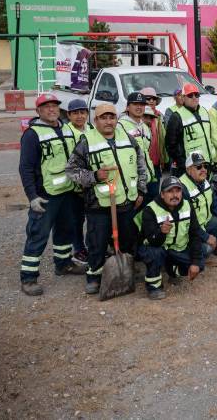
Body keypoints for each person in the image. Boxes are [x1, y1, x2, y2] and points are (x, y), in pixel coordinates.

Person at [65, 103, 148, 294]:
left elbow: (140, 164)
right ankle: (94, 276)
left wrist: (141, 190)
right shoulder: (87, 141)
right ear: (96, 120)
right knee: (97, 242)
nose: (108, 121)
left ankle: (125, 270)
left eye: (112, 117)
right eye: (104, 118)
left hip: (126, 202)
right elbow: (71, 171)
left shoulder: (127, 138)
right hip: (99, 205)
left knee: (128, 240)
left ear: (116, 119)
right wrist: (94, 176)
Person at [18, 93, 84, 296]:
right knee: (38, 235)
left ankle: (63, 264)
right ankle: (29, 278)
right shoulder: (32, 135)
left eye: (54, 106)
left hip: (67, 191)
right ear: (38, 111)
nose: (51, 109)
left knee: (65, 230)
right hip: (45, 195)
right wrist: (32, 196)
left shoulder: (67, 129)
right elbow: (25, 168)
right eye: (46, 107)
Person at [135, 176, 203, 300]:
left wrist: (196, 262)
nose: (175, 195)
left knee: (199, 264)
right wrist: (161, 232)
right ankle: (154, 287)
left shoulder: (187, 205)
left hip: (176, 249)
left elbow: (195, 234)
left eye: (178, 191)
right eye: (170, 191)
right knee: (155, 253)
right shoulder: (150, 209)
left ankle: (170, 269)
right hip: (154, 246)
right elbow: (151, 240)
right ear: (162, 194)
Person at [180, 151, 217, 266]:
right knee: (206, 248)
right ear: (188, 170)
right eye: (198, 167)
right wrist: (206, 236)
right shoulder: (182, 188)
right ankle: (199, 257)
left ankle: (211, 247)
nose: (203, 169)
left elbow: (216, 202)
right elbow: (187, 223)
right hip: (188, 232)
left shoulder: (204, 181)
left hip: (203, 224)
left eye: (205, 166)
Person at [64, 99, 94, 264]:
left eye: (82, 112)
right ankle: (79, 249)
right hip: (74, 186)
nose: (80, 116)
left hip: (91, 183)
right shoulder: (65, 131)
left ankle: (92, 246)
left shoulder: (92, 129)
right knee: (76, 220)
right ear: (69, 115)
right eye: (75, 113)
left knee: (93, 218)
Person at [166, 83, 214, 176]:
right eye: (190, 95)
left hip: (206, 164)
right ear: (183, 98)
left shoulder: (204, 111)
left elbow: (209, 136)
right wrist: (182, 163)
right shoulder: (176, 116)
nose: (194, 98)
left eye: (196, 95)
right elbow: (170, 145)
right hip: (190, 167)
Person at [119, 92, 158, 201]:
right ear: (127, 107)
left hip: (149, 178)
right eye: (135, 104)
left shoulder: (144, 127)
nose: (139, 107)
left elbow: (146, 152)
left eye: (142, 104)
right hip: (133, 181)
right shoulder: (120, 126)